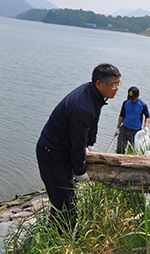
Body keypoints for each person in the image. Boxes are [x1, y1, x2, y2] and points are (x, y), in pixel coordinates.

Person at [36, 63, 121, 230]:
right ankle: (58, 239)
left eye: (118, 84)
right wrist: (80, 170)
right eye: (113, 84)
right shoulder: (83, 107)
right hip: (52, 153)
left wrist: (85, 150)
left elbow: (84, 134)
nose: (116, 89)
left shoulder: (92, 94)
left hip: (61, 151)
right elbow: (78, 141)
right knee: (64, 203)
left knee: (65, 199)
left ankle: (58, 237)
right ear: (99, 83)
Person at [115, 86, 150, 154]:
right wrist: (118, 128)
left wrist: (146, 127)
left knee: (132, 152)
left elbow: (147, 116)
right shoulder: (125, 103)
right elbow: (121, 116)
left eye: (133, 98)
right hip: (124, 129)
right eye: (131, 98)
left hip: (136, 131)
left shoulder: (143, 105)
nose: (132, 100)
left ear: (138, 95)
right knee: (119, 150)